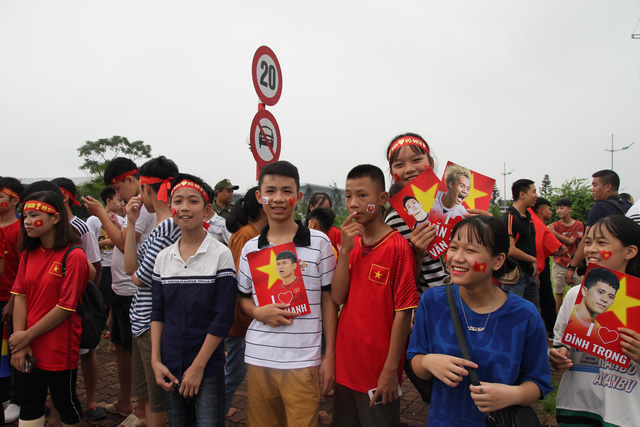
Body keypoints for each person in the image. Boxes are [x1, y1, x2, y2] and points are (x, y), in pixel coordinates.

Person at [408, 216, 552, 426]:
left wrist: (514, 394)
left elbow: (538, 382)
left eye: (470, 250)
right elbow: (415, 360)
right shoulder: (432, 301)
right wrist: (428, 361)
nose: (457, 257)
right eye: (453, 247)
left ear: (498, 261)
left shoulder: (525, 315)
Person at [237, 161, 337, 426]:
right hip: (259, 357)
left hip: (303, 360)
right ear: (260, 196)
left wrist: (330, 355)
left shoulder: (320, 243)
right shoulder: (250, 249)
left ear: (299, 197)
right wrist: (257, 311)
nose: (279, 198)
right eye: (271, 191)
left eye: (287, 191)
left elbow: (329, 300)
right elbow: (242, 297)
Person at [332, 165, 418, 427]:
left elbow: (403, 313)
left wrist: (391, 370)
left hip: (378, 368)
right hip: (346, 362)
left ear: (382, 199)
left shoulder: (398, 247)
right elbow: (338, 297)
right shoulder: (351, 243)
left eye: (362, 195)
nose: (353, 204)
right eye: (348, 196)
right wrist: (344, 252)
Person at [150, 174, 236, 426]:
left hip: (207, 367)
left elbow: (223, 316)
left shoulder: (221, 255)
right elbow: (158, 313)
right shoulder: (163, 258)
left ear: (207, 209)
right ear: (170, 208)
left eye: (193, 201)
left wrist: (198, 367)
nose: (185, 207)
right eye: (178, 201)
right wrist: (155, 361)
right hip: (169, 363)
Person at [82, 157, 158, 425]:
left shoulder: (143, 205)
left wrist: (101, 215)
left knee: (133, 352)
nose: (118, 195)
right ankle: (130, 403)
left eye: (116, 188)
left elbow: (124, 244)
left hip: (131, 288)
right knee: (125, 349)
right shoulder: (136, 205)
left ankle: (139, 408)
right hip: (123, 288)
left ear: (129, 180)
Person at [550, 215, 640, 426]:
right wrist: (557, 356)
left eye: (601, 242)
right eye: (588, 242)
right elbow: (560, 344)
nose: (590, 249)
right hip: (577, 408)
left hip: (624, 414)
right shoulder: (574, 296)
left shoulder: (637, 301)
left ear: (630, 251)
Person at [9, 191, 89, 427]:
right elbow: (20, 297)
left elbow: (66, 307)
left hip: (58, 345)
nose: (27, 221)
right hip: (27, 344)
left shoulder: (74, 256)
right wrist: (20, 344)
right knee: (29, 403)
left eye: (34, 215)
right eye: (25, 216)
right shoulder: (28, 254)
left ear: (56, 218)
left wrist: (26, 336)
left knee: (65, 404)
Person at [124, 156, 180, 427]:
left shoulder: (168, 227)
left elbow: (140, 278)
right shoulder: (160, 227)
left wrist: (137, 274)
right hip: (143, 321)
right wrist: (131, 223)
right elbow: (130, 267)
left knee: (157, 399)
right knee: (147, 394)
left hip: (152, 322)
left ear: (146, 190)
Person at [51, 177, 105, 422]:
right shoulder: (48, 226)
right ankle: (59, 404)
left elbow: (95, 265)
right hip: (53, 298)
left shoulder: (80, 227)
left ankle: (91, 399)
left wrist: (88, 298)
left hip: (79, 299)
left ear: (65, 197)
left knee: (86, 349)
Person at [223, 187, 268, 416]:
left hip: (250, 316)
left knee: (237, 371)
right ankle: (212, 414)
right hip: (241, 317)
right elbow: (242, 278)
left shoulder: (258, 234)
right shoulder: (246, 235)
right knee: (234, 373)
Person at [565, 170, 632, 285]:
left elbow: (587, 238)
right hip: (629, 265)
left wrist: (572, 267)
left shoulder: (600, 208)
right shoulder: (627, 205)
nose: (592, 189)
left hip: (607, 267)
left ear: (608, 187)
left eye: (595, 185)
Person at [0, 177, 24, 423]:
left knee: (13, 349)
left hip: (12, 301)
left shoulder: (21, 230)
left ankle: (15, 397)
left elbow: (23, 270)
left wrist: (12, 302)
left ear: (14, 200)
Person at [501, 178, 540, 308]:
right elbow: (510, 249)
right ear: (522, 194)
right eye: (533, 192)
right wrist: (532, 259)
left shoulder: (528, 217)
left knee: (532, 313)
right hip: (515, 276)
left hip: (530, 274)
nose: (536, 196)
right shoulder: (510, 217)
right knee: (513, 313)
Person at [549, 198, 584, 312]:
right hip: (559, 262)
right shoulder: (554, 225)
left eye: (562, 208)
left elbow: (571, 241)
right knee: (559, 292)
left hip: (574, 263)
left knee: (579, 291)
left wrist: (554, 233)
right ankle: (559, 317)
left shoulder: (578, 225)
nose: (559, 211)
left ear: (569, 209)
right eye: (557, 208)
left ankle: (576, 317)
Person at [565, 267, 619, 338]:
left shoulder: (600, 329)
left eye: (611, 296)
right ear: (584, 291)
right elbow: (558, 340)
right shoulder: (570, 311)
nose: (605, 300)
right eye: (600, 292)